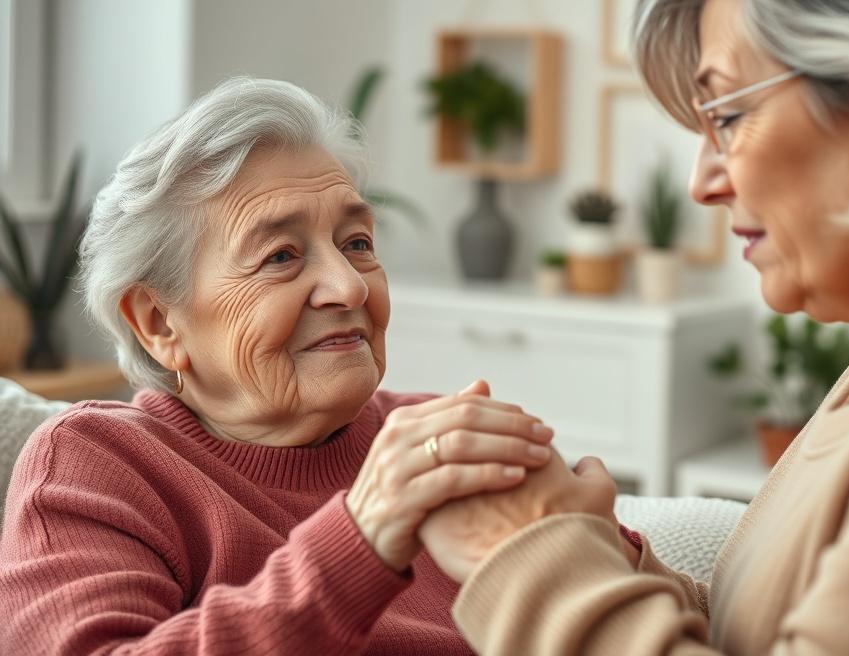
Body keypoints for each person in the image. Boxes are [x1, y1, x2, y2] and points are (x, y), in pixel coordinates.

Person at [418, 0, 849, 652]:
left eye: (728, 118)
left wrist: (529, 554)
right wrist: (595, 547)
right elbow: (766, 630)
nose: (705, 180)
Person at [0, 78, 561, 654]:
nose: (347, 287)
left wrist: (598, 547)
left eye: (358, 243)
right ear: (159, 323)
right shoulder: (99, 466)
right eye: (281, 256)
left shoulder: (433, 441)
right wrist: (360, 540)